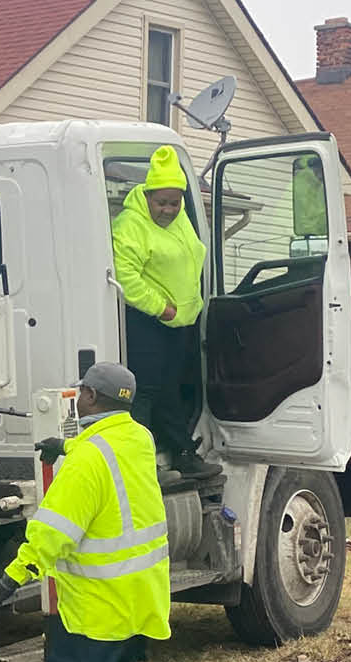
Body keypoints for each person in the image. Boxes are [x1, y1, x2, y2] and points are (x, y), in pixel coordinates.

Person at [5, 363, 190, 662]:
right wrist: (65, 445)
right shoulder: (139, 439)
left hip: (94, 605)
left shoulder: (86, 462)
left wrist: (12, 576)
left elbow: (54, 532)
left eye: (82, 392)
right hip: (138, 596)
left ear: (88, 397)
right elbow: (106, 447)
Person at [112, 145, 215, 480]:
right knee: (146, 393)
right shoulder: (131, 225)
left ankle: (183, 453)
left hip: (180, 323)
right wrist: (162, 308)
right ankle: (137, 462)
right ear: (147, 196)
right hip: (149, 323)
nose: (169, 209)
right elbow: (125, 276)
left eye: (175, 202)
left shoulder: (180, 218)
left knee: (172, 389)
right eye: (162, 202)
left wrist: (186, 310)